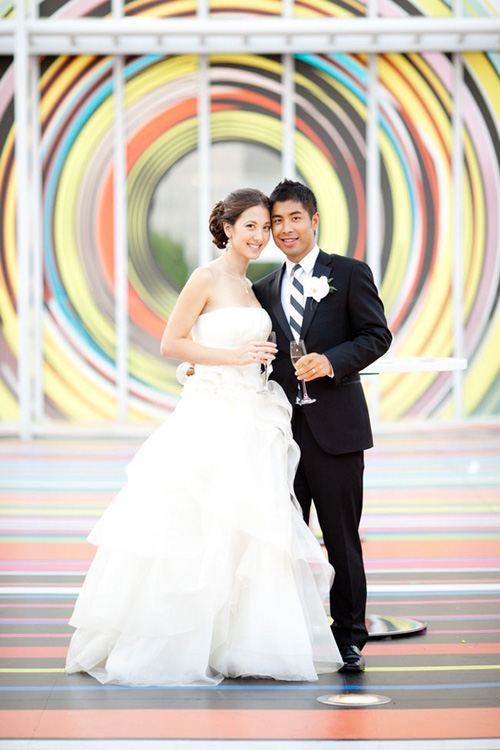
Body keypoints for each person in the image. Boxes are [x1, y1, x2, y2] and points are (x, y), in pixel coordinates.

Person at [65, 188, 342, 686]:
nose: (262, 236)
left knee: (248, 534)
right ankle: (177, 639)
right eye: (252, 227)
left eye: (268, 226)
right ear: (228, 228)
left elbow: (245, 349)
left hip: (255, 414)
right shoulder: (206, 277)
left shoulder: (255, 286)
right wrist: (221, 361)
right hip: (212, 416)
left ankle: (240, 642)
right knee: (196, 525)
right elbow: (173, 341)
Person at [252, 180, 392, 672]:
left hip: (336, 430)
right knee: (282, 539)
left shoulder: (349, 274)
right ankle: (287, 633)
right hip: (280, 433)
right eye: (276, 223)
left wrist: (331, 362)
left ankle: (349, 638)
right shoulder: (263, 289)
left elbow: (377, 335)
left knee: (341, 537)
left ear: (314, 221)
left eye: (294, 218)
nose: (285, 229)